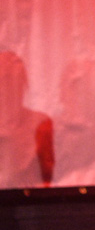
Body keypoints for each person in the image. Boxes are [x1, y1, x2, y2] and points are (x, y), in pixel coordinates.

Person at [0, 50, 54, 188]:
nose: (6, 88)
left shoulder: (40, 124)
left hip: (30, 205)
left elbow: (51, 176)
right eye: (4, 80)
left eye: (14, 79)